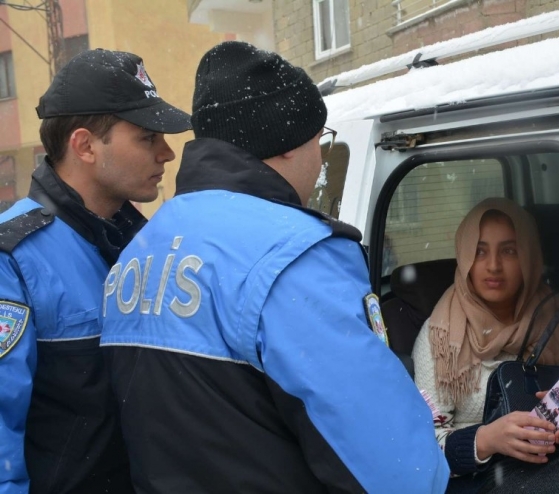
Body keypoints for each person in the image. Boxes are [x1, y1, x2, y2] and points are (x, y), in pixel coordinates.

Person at [99, 41, 449, 493]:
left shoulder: (139, 252)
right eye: (319, 141)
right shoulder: (291, 257)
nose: (320, 159)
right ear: (284, 145)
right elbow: (399, 471)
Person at [0, 49, 191, 493]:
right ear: (85, 146)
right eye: (147, 138)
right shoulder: (13, 259)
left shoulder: (152, 245)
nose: (167, 153)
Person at [412, 197, 559, 493]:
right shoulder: (441, 337)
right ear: (466, 257)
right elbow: (423, 447)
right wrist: (488, 439)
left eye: (508, 251)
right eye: (479, 251)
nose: (493, 266)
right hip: (480, 480)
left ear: (529, 256)